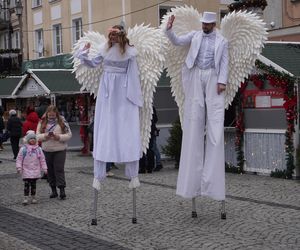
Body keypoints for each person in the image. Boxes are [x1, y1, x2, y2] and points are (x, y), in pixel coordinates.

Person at [165, 12, 229, 201]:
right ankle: (191, 182)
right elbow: (176, 41)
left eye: (208, 24)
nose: (205, 26)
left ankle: (212, 184)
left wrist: (222, 81)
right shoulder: (194, 35)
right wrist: (169, 29)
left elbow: (225, 62)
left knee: (215, 123)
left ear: (213, 24)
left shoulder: (222, 41)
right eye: (203, 23)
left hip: (212, 75)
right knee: (194, 119)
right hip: (195, 74)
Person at [75, 25, 143, 188]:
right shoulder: (104, 49)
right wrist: (84, 54)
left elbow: (133, 74)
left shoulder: (130, 52)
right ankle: (98, 175)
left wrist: (134, 96)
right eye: (110, 35)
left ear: (120, 36)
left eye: (114, 35)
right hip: (107, 90)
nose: (111, 38)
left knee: (128, 127)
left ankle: (133, 175)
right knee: (105, 126)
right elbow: (92, 63)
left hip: (123, 90)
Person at [36, 105, 72, 200]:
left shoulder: (62, 122)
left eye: (53, 115)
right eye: (50, 115)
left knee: (59, 169)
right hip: (47, 150)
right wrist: (45, 136)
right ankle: (53, 190)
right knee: (50, 171)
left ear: (56, 113)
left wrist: (59, 137)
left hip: (59, 149)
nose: (51, 116)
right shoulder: (42, 122)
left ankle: (62, 190)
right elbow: (37, 136)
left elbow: (69, 135)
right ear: (47, 114)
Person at [16, 130, 47, 205]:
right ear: (27, 140)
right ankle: (26, 197)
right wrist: (18, 167)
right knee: (26, 184)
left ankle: (33, 197)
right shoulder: (23, 149)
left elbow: (42, 159)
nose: (32, 140)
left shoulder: (38, 149)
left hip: (35, 170)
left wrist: (45, 168)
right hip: (26, 169)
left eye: (33, 138)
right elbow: (19, 159)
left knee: (33, 185)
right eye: (30, 138)